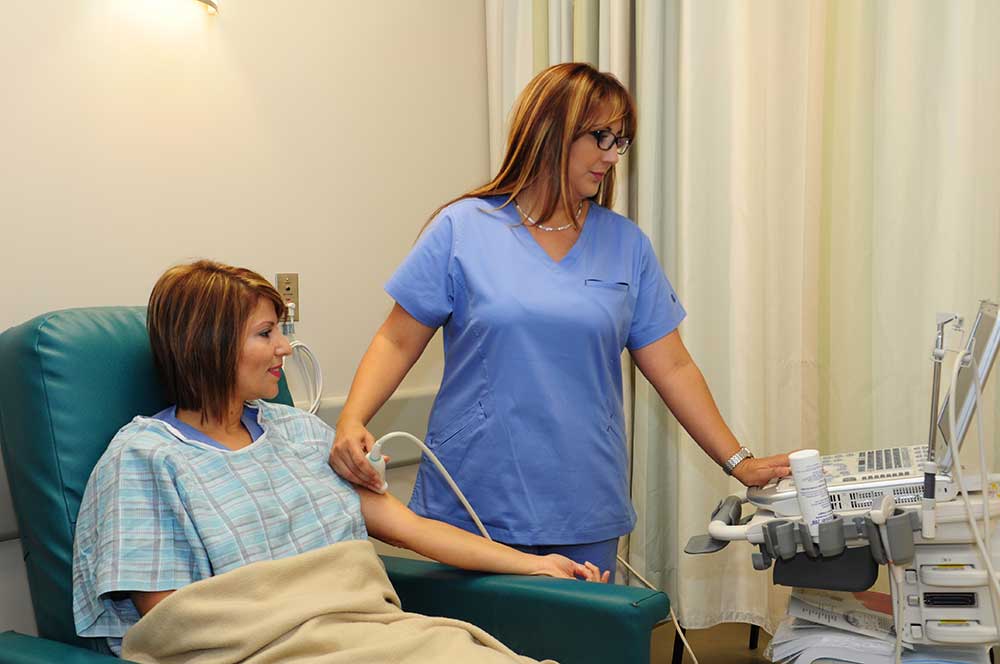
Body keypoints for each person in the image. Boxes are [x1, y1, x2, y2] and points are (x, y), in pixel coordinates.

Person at [329, 62, 793, 579]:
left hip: (583, 502)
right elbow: (397, 338)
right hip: (472, 497)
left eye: (621, 142)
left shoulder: (625, 246)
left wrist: (738, 462)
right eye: (601, 137)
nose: (613, 156)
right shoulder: (463, 228)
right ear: (551, 128)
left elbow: (675, 368)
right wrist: (351, 419)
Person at [72, 260, 607, 657]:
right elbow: (173, 625)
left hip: (370, 635)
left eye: (281, 330)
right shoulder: (144, 460)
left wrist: (536, 563)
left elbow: (407, 527)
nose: (285, 347)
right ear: (206, 344)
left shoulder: (300, 434)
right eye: (266, 333)